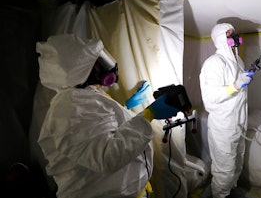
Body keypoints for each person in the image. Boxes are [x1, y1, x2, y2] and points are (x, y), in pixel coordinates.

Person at [36, 34, 180, 198]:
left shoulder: (80, 96)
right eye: (98, 64)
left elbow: (99, 130)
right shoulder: (71, 108)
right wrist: (148, 115)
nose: (107, 67)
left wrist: (126, 108)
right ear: (80, 70)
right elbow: (107, 156)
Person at [199, 23, 254, 198]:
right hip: (224, 127)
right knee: (225, 170)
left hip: (239, 123)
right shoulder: (214, 63)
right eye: (229, 34)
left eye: (234, 33)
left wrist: (244, 78)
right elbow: (210, 99)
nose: (234, 36)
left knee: (237, 164)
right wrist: (237, 85)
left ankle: (228, 192)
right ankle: (220, 195)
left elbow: (238, 95)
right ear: (220, 39)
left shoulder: (239, 61)